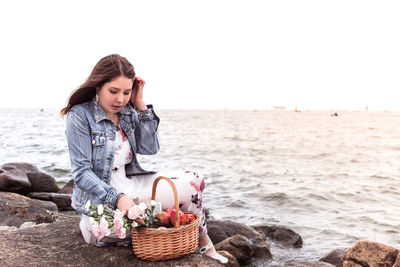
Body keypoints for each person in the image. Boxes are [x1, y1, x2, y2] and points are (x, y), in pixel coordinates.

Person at [61, 54, 227, 264]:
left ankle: (204, 243)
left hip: (131, 183)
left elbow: (150, 148)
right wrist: (118, 199)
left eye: (126, 92)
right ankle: (142, 228)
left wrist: (140, 104)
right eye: (113, 91)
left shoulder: (127, 111)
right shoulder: (79, 116)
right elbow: (82, 173)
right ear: (98, 86)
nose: (120, 99)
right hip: (102, 197)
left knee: (193, 181)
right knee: (120, 226)